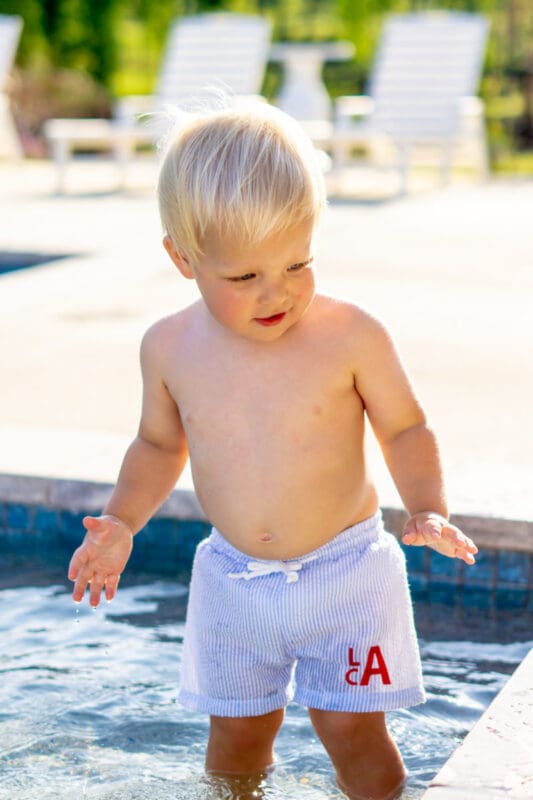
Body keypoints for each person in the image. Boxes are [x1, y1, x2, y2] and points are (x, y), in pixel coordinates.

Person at [68, 101, 477, 800]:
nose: (276, 292)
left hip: (345, 575)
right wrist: (121, 523)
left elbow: (404, 427)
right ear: (182, 258)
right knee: (235, 737)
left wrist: (427, 508)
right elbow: (157, 445)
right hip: (234, 582)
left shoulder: (350, 335)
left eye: (297, 262)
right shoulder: (169, 348)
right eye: (244, 277)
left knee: (351, 730)